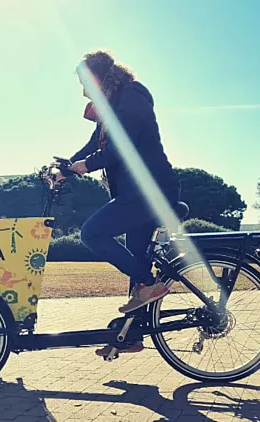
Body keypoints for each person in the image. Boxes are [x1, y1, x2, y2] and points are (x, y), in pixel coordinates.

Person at [56, 50, 180, 355]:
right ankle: (133, 335)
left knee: (92, 233)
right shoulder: (111, 107)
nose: (84, 91)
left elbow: (123, 145)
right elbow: (94, 145)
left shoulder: (133, 95)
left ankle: (149, 284)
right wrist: (66, 167)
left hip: (149, 192)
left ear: (100, 77)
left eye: (86, 83)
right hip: (136, 194)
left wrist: (86, 166)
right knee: (137, 264)